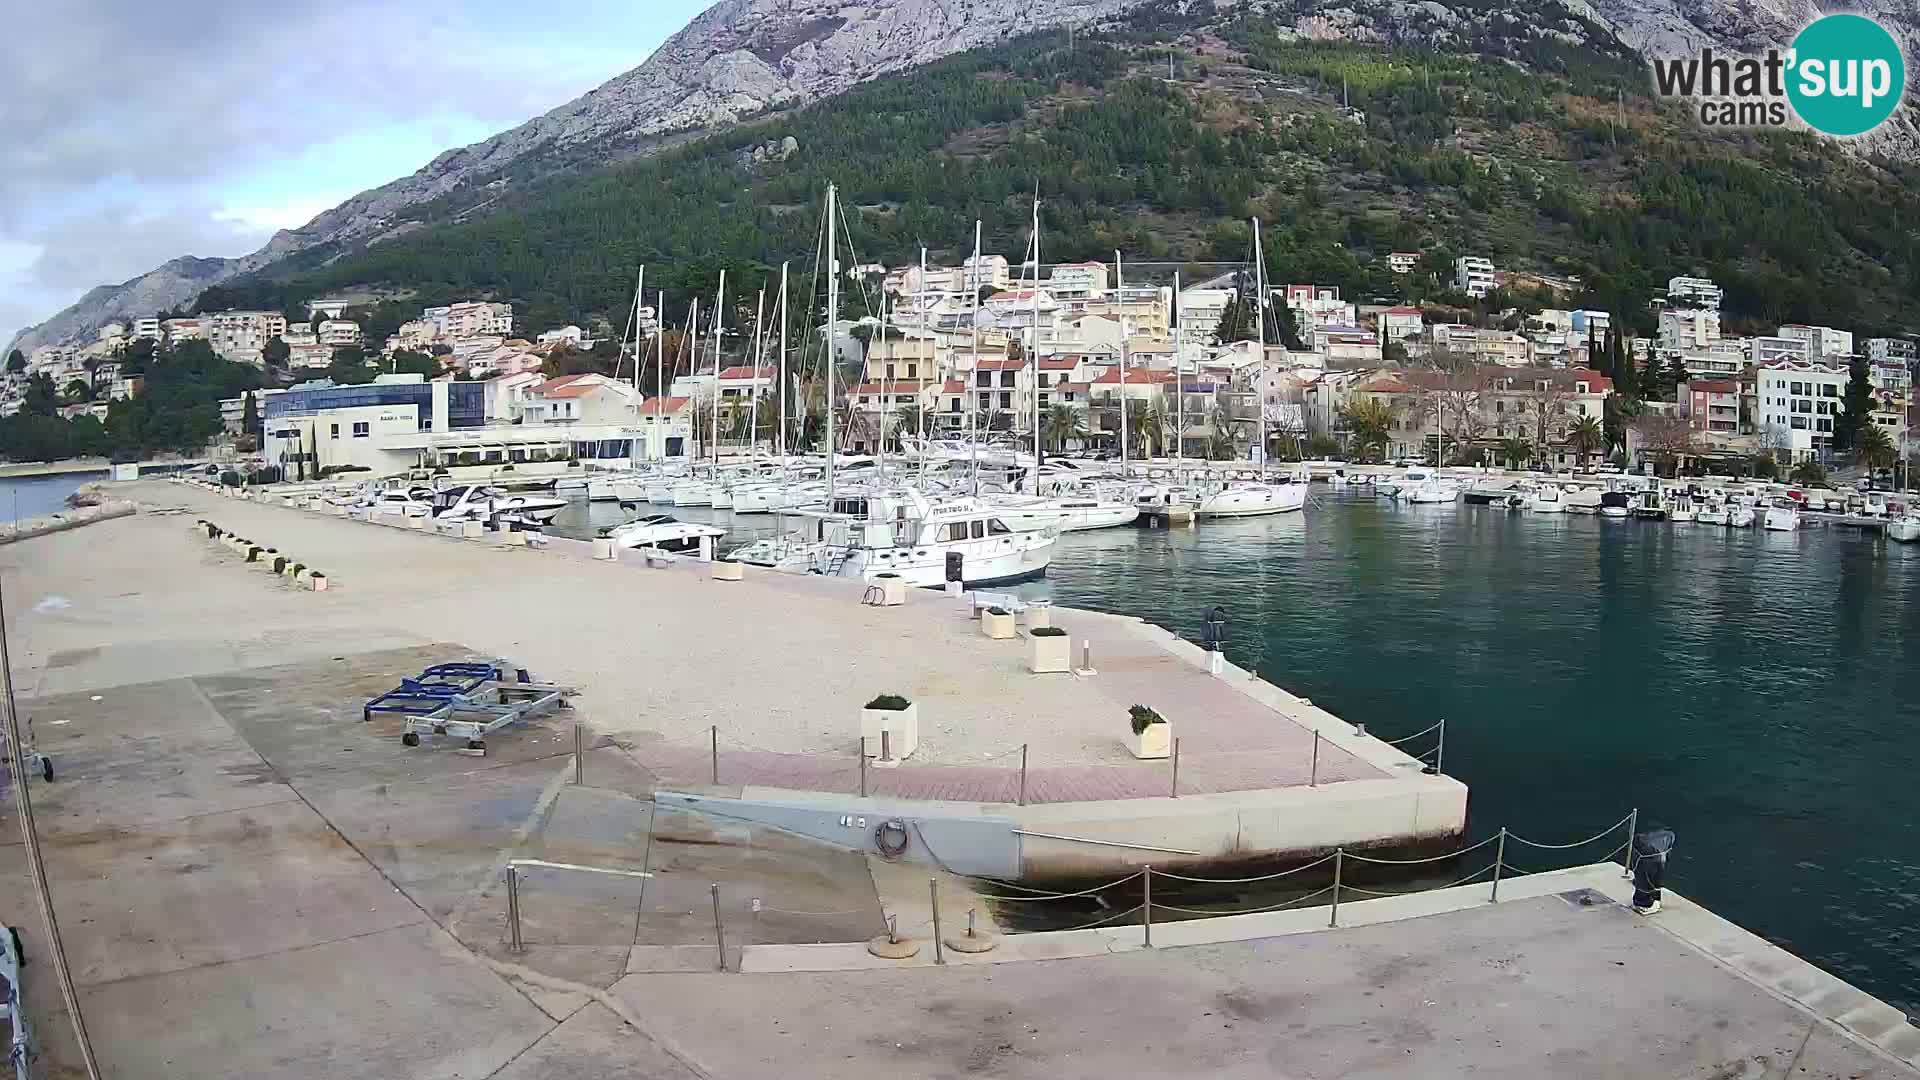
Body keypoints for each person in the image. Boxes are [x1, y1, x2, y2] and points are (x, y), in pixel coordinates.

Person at [1630, 825, 1675, 915]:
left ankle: (1644, 901)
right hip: (1652, 856)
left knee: (1647, 877)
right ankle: (1646, 903)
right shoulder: (1665, 840)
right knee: (1650, 877)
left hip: (1649, 855)